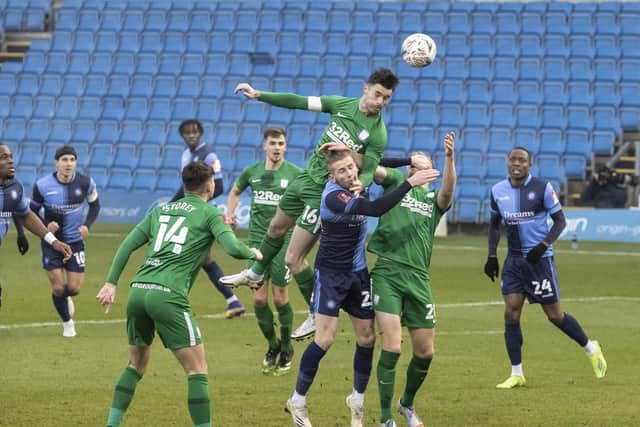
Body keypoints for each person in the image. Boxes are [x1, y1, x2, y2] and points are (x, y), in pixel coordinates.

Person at [222, 68, 401, 341]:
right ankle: (255, 273)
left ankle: (315, 315)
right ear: (366, 88)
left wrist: (360, 184)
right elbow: (298, 101)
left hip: (324, 193)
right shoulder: (340, 105)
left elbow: (370, 169)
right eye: (378, 94)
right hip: (306, 178)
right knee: (275, 229)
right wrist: (259, 95)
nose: (380, 102)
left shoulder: (378, 133)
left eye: (386, 98)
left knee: (294, 258)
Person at [95, 161, 262, 427]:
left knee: (135, 366)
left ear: (184, 185)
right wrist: (252, 252)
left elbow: (127, 244)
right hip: (168, 295)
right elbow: (232, 247)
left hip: (139, 290)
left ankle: (111, 424)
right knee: (197, 371)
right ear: (210, 186)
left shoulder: (161, 210)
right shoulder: (209, 214)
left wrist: (110, 283)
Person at [285, 151, 439, 427]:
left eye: (350, 168)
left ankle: (356, 399)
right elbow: (375, 210)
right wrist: (411, 182)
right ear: (332, 176)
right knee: (325, 339)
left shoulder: (358, 179)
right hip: (331, 276)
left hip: (357, 274)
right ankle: (297, 399)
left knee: (367, 338)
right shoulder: (334, 196)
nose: (349, 174)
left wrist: (407, 161)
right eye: (342, 171)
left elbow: (372, 160)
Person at [484, 147, 607, 390]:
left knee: (554, 316)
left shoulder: (542, 188)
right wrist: (491, 255)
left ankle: (590, 347)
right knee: (511, 312)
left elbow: (560, 221)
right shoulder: (497, 190)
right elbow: (494, 225)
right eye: (513, 160)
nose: (516, 164)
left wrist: (543, 245)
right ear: (507, 163)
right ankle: (516, 372)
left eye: (522, 160)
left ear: (530, 165)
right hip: (514, 261)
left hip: (539, 262)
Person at [366, 133, 456, 427]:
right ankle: (384, 418)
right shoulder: (395, 183)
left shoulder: (433, 200)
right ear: (409, 171)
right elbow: (367, 163)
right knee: (392, 345)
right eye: (416, 165)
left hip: (418, 278)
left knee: (425, 352)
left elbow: (447, 192)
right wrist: (405, 162)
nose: (420, 168)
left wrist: (449, 159)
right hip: (388, 273)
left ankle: (406, 404)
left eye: (425, 164)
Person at [226, 127, 302, 375]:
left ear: (286, 147)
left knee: (280, 299)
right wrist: (230, 214)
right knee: (258, 299)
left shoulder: (294, 174)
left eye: (281, 143)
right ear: (264, 146)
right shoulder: (252, 172)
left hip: (285, 243)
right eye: (273, 143)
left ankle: (287, 349)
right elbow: (235, 191)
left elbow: (308, 198)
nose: (277, 147)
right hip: (257, 243)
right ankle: (273, 346)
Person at [24, 145, 100, 337]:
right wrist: (45, 225)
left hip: (75, 241)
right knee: (58, 287)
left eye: (72, 160)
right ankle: (67, 322)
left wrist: (87, 226)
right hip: (51, 242)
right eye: (64, 160)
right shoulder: (42, 185)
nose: (68, 164)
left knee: (73, 289)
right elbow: (31, 212)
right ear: (56, 162)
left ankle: (66, 299)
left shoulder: (86, 182)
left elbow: (95, 205)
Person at [172, 119, 245, 319]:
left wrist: (195, 202)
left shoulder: (209, 154)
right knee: (202, 258)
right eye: (187, 132)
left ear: (201, 133)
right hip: (191, 212)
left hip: (201, 213)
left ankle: (175, 302)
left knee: (184, 255)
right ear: (182, 135)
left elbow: (219, 187)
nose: (192, 135)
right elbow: (186, 187)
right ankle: (233, 301)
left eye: (195, 131)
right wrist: (173, 204)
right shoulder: (186, 155)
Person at [0, 144, 73, 311]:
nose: (11, 161)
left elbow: (26, 215)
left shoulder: (14, 188)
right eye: (4, 157)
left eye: (11, 156)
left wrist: (53, 242)